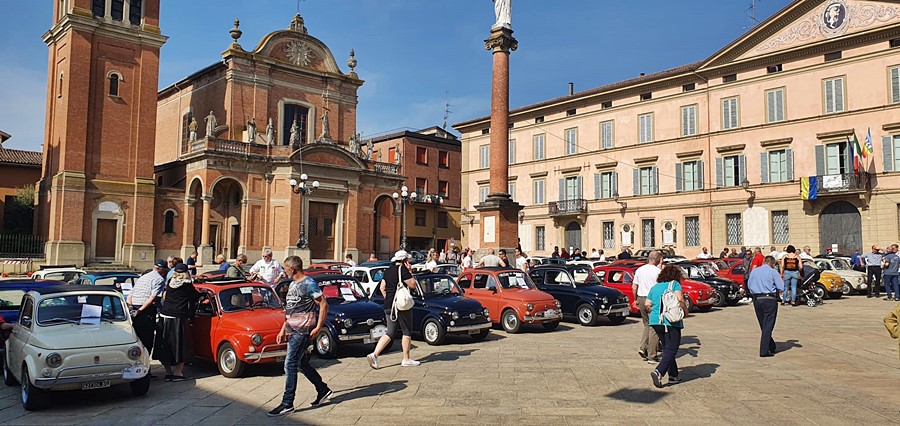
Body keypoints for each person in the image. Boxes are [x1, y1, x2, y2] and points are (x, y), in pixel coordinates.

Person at [268, 256, 332, 417]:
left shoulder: (308, 283)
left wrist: (318, 327)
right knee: (301, 364)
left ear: (293, 269)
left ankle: (287, 403)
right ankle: (322, 389)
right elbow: (291, 309)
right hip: (292, 330)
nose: (284, 271)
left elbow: (323, 304)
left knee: (289, 364)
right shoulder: (292, 284)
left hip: (302, 331)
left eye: (285, 268)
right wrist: (283, 329)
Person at [368, 250, 419, 369]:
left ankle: (374, 354)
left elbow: (382, 287)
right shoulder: (403, 270)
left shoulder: (388, 271)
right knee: (406, 331)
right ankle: (406, 358)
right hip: (401, 305)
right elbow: (413, 284)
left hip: (388, 305)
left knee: (390, 332)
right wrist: (410, 272)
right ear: (405, 261)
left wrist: (389, 298)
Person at [154, 263, 199, 382]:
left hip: (164, 316)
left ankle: (168, 372)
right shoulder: (187, 285)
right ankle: (178, 373)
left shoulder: (169, 283)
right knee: (180, 345)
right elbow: (195, 297)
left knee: (165, 345)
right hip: (178, 317)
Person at [646, 264, 688, 388]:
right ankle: (659, 371)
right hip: (670, 321)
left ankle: (673, 375)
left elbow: (648, 304)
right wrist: (685, 311)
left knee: (667, 348)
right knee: (672, 348)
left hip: (655, 321)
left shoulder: (655, 287)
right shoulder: (674, 284)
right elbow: (680, 299)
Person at [127, 260, 168, 364]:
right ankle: (145, 367)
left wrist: (131, 308)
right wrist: (140, 311)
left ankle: (136, 364)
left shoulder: (143, 277)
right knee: (147, 341)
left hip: (134, 307)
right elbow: (153, 298)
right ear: (163, 270)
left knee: (137, 338)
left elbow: (130, 294)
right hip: (145, 310)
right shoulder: (159, 279)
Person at [747, 256, 785, 357]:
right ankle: (764, 351)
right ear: (772, 264)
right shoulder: (773, 272)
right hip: (769, 299)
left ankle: (771, 346)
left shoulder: (754, 271)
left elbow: (749, 285)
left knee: (763, 324)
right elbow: (781, 287)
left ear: (764, 262)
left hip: (757, 299)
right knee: (768, 325)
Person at [633, 251, 662, 363]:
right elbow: (660, 287)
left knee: (646, 324)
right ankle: (652, 355)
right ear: (657, 259)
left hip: (641, 298)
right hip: (652, 300)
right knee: (654, 327)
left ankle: (643, 347)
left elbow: (634, 286)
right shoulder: (657, 271)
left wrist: (635, 299)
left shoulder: (640, 270)